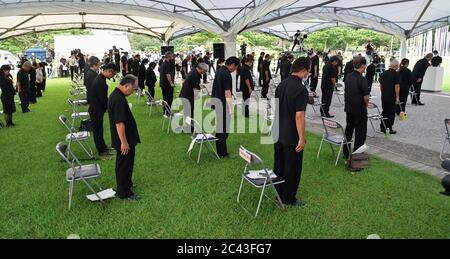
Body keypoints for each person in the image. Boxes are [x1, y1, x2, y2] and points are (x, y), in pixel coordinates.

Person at [272, 57, 310, 206]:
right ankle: (288, 198)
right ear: (304, 71)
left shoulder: (281, 84)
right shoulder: (300, 89)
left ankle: (279, 193)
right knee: (292, 168)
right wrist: (301, 138)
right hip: (291, 135)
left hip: (278, 132)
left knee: (279, 165)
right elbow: (299, 116)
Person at [108, 75, 141, 201]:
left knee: (125, 163)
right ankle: (124, 192)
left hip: (125, 138)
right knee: (124, 165)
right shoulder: (118, 99)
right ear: (126, 85)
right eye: (133, 89)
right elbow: (119, 123)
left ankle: (126, 185)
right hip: (123, 140)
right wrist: (124, 142)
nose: (132, 92)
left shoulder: (117, 95)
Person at [211, 56, 240, 158]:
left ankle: (220, 149)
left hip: (216, 102)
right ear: (232, 65)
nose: (235, 70)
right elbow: (227, 92)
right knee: (223, 129)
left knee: (220, 127)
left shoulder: (219, 71)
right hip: (223, 104)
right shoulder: (227, 74)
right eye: (235, 67)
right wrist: (231, 108)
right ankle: (222, 153)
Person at [343, 57, 370, 159]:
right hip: (359, 109)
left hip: (349, 108)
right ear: (363, 66)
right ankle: (357, 155)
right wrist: (366, 105)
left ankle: (345, 152)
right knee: (360, 132)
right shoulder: (362, 79)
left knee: (348, 130)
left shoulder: (348, 76)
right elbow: (366, 97)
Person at [89, 63, 117, 156]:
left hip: (97, 109)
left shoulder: (101, 79)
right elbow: (102, 99)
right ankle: (101, 150)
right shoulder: (100, 81)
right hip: (96, 110)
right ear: (109, 71)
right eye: (113, 74)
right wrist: (109, 108)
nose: (113, 76)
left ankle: (103, 147)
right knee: (97, 130)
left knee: (99, 130)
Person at [180, 63, 209, 132]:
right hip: (187, 95)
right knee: (188, 112)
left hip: (188, 94)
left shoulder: (195, 72)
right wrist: (201, 87)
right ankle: (188, 128)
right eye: (203, 71)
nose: (203, 73)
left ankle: (189, 127)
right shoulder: (194, 74)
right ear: (200, 69)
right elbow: (195, 86)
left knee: (189, 111)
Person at [379, 59, 401, 134]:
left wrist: (383, 93)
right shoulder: (396, 74)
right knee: (391, 113)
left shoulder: (383, 73)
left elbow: (381, 86)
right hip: (392, 97)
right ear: (396, 66)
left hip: (384, 96)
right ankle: (389, 128)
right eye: (398, 66)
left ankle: (382, 126)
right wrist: (397, 97)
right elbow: (397, 86)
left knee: (384, 111)